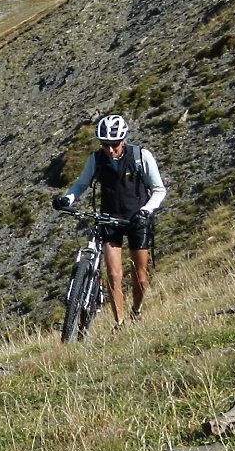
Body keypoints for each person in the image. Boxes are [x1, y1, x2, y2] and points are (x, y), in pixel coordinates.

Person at [51, 114, 168, 329]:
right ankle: (119, 323)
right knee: (114, 275)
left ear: (123, 140)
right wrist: (67, 199)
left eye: (114, 145)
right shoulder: (96, 159)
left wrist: (146, 210)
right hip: (109, 219)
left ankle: (137, 310)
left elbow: (159, 190)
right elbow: (81, 185)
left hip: (137, 220)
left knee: (140, 277)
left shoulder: (141, 156)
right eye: (105, 145)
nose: (110, 150)